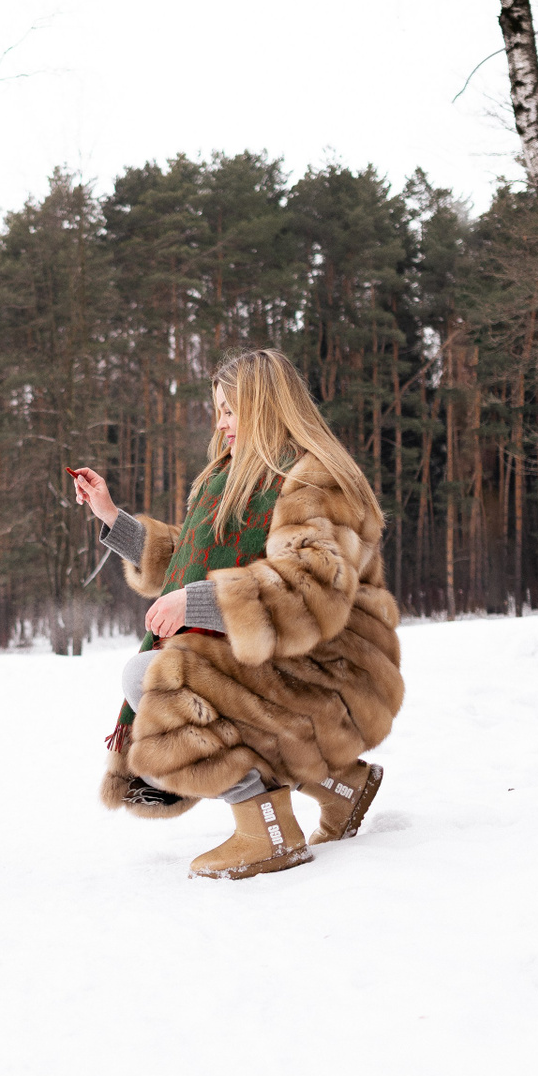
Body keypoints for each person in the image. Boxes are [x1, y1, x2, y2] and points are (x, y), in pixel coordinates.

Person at [68, 349, 404, 879]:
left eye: (230, 410)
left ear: (265, 406)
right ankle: (343, 787)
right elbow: (190, 562)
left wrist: (202, 601)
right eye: (218, 410)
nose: (220, 423)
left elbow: (311, 587)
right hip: (286, 659)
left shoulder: (314, 478)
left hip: (331, 669)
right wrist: (113, 517)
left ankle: (267, 830)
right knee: (186, 677)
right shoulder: (231, 478)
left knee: (155, 676)